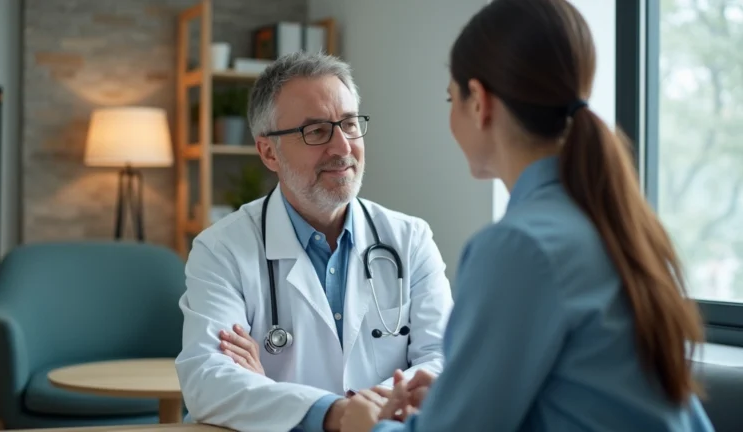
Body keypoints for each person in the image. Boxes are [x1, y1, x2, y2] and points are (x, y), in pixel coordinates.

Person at [339, 0, 715, 431]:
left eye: (451, 97)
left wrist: (366, 425)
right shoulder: (614, 222)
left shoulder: (519, 246)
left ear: (479, 102)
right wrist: (452, 399)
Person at [175, 51, 454, 432]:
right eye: (317, 131)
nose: (342, 147)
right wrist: (335, 414)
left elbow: (443, 357)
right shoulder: (221, 249)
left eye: (350, 124)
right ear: (268, 152)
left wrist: (275, 394)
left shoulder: (410, 239)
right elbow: (208, 381)